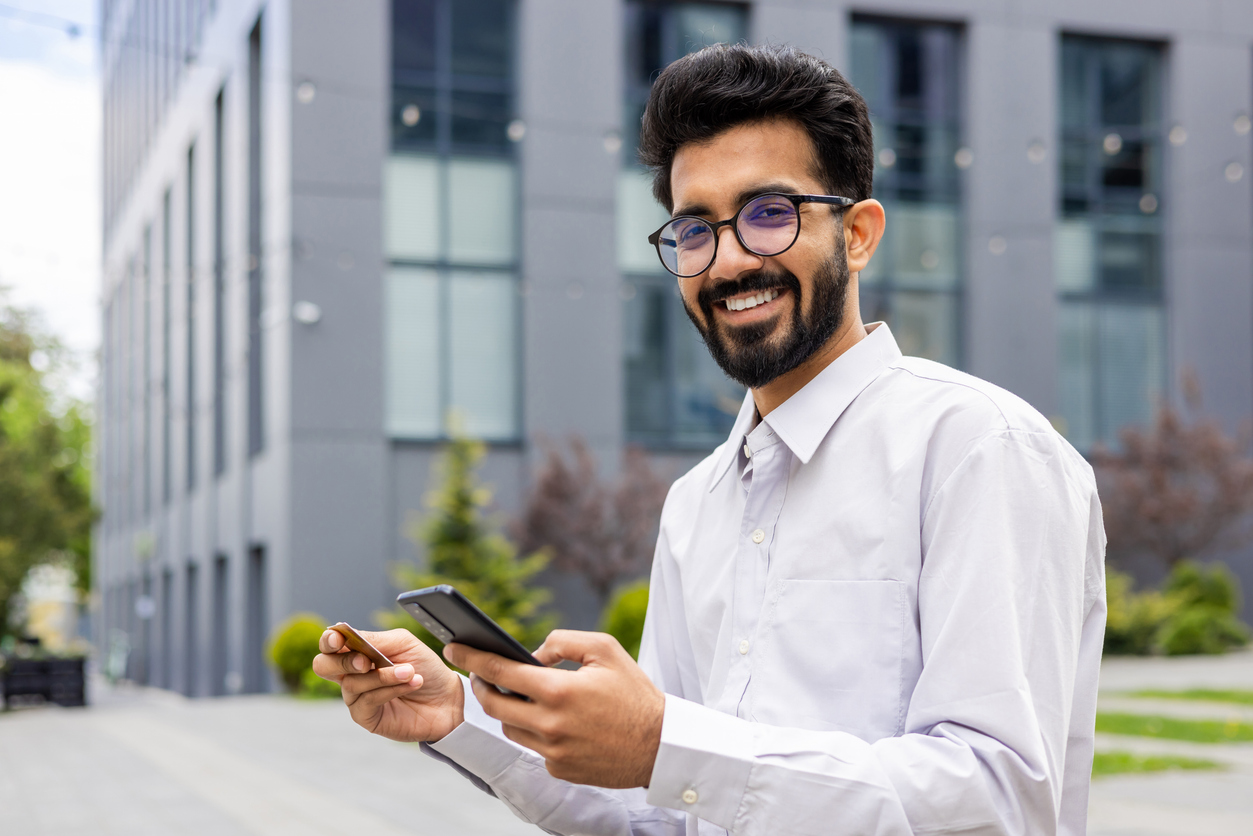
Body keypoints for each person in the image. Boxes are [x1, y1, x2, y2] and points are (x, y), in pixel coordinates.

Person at [313, 43, 1106, 836]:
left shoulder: (978, 449)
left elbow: (999, 799)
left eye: (769, 214)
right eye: (695, 229)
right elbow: (668, 812)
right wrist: (463, 717)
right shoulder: (698, 501)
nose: (726, 261)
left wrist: (666, 746)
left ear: (857, 234)